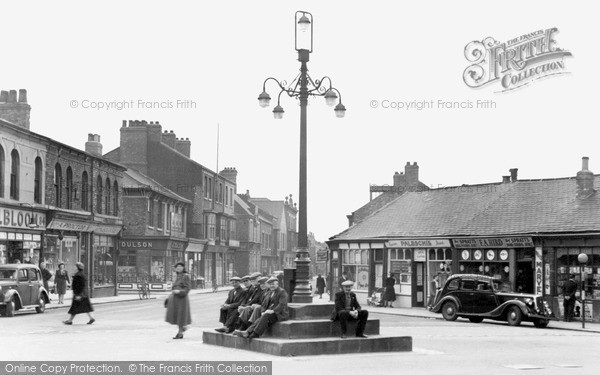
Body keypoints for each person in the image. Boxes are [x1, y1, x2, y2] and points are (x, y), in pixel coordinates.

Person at [165, 262, 192, 339]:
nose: (179, 267)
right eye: (177, 266)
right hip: (175, 299)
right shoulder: (177, 276)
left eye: (181, 266)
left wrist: (180, 292)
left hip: (182, 299)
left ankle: (180, 333)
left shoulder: (185, 276)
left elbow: (188, 288)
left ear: (183, 268)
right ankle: (183, 329)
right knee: (176, 315)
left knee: (180, 316)